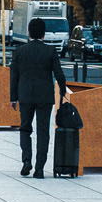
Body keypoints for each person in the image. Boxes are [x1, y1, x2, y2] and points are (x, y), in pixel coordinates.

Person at [10, 19, 68, 178]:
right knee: (43, 132)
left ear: (29, 32)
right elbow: (59, 74)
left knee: (25, 128)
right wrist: (63, 90)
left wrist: (13, 98)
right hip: (45, 96)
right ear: (43, 33)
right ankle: (40, 168)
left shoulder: (19, 51)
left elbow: (14, 76)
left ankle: (26, 160)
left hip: (25, 95)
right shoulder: (50, 51)